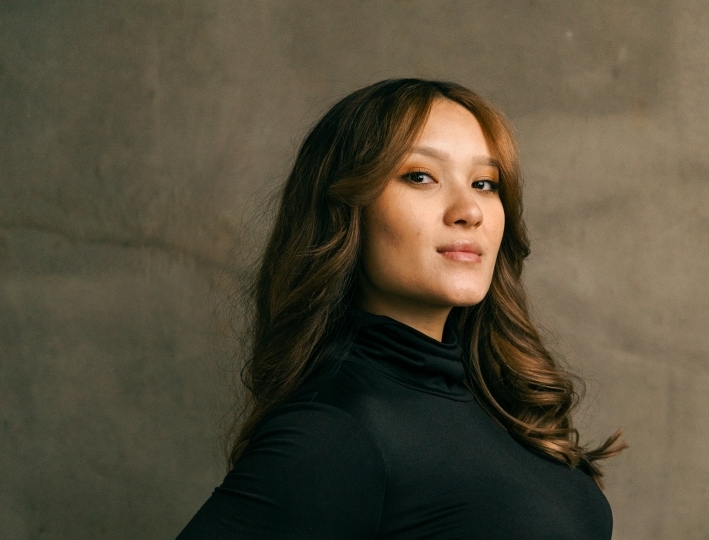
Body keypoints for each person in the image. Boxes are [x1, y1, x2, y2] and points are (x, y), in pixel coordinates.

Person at [177, 78, 624, 539]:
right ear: (348, 209)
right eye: (420, 176)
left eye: (485, 183)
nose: (469, 209)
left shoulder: (504, 406)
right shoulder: (333, 434)